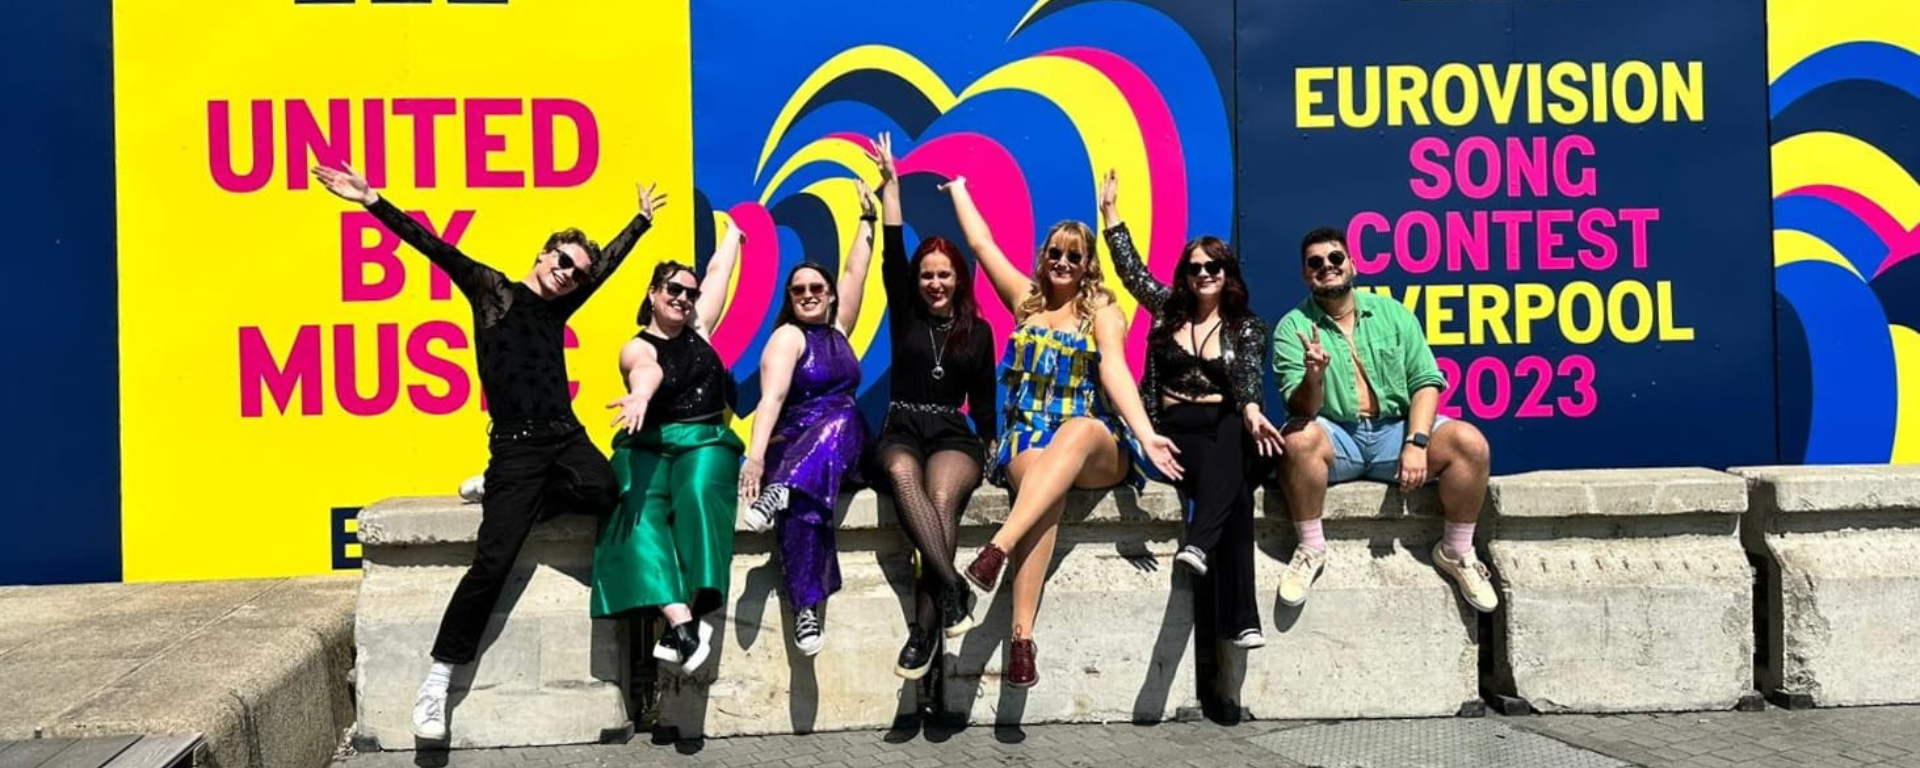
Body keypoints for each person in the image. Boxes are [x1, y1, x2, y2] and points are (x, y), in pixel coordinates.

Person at [309, 163, 665, 741]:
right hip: (518, 447)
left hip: (566, 436)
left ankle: (497, 494)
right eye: (564, 263)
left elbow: (608, 267)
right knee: (494, 562)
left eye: (578, 274)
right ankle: (439, 678)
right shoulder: (493, 290)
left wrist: (641, 223)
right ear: (545, 255)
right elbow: (434, 247)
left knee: (603, 490)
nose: (569, 275)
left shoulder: (560, 308)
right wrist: (372, 200)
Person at [944, 175, 1184, 689]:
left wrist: (1145, 435)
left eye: (1074, 256)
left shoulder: (1102, 311)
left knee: (1074, 431)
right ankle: (1023, 640)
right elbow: (981, 245)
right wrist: (962, 187)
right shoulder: (1026, 302)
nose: (1063, 263)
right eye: (1056, 252)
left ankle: (997, 549)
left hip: (1095, 442)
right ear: (1044, 255)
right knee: (1041, 495)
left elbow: (1116, 372)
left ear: (1087, 264)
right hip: (1027, 437)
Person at [1096, 170, 1282, 651]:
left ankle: (1198, 544)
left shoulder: (1247, 327)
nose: (1203, 275)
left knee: (1237, 441)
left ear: (1228, 274)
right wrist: (1111, 214)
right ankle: (1241, 621)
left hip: (1233, 423)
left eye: (1213, 268)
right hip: (1178, 426)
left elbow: (1247, 379)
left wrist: (1253, 409)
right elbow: (1132, 272)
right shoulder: (1166, 310)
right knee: (1235, 496)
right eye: (1194, 268)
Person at [1270, 226, 1498, 613]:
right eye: (1315, 262)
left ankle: (1457, 552)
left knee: (1470, 443)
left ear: (1352, 265)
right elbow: (1301, 411)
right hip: (1337, 436)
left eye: (1335, 258)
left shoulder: (1393, 313)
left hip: (1395, 432)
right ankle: (1310, 548)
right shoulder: (1293, 327)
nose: (1327, 266)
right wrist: (1314, 375)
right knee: (1297, 440)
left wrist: (1416, 443)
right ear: (1305, 274)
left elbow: (1427, 382)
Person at [860, 134, 998, 680]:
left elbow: (984, 399)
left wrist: (991, 444)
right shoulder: (906, 314)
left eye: (944, 274)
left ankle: (922, 633)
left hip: (951, 432)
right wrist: (891, 185)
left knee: (942, 499)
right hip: (902, 425)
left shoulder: (980, 332)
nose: (935, 283)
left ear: (958, 278)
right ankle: (955, 589)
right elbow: (894, 248)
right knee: (899, 471)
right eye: (927, 275)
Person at [591, 220, 746, 675]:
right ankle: (680, 621)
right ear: (654, 293)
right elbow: (647, 369)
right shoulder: (635, 346)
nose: (682, 297)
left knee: (698, 495)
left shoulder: (699, 327)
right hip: (651, 442)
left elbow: (718, 273)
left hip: (704, 438)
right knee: (632, 512)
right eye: (673, 289)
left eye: (689, 293)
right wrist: (639, 396)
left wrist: (734, 237)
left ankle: (697, 606)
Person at [738, 187, 877, 656]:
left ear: (830, 295)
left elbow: (858, 270)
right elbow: (772, 398)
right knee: (806, 505)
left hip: (848, 439)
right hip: (794, 443)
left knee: (845, 414)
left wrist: (867, 218)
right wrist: (756, 460)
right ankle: (807, 610)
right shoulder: (788, 337)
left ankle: (787, 486)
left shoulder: (839, 332)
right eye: (798, 290)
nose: (808, 295)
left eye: (817, 288)